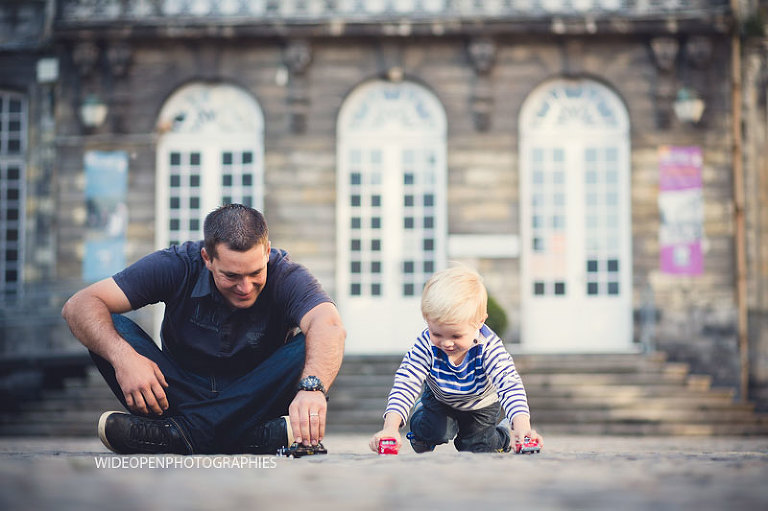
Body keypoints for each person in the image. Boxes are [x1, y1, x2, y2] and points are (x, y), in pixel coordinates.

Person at [62, 204, 345, 455]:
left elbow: (329, 324)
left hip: (256, 396)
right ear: (207, 258)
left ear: (267, 252)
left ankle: (181, 435)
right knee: (112, 326)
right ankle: (245, 438)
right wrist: (124, 358)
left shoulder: (285, 273)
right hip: (178, 391)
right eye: (231, 276)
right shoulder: (176, 264)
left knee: (313, 341)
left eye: (255, 273)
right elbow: (79, 305)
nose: (245, 287)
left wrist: (313, 389)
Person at [369, 264, 542, 454]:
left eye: (456, 336)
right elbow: (406, 382)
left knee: (476, 448)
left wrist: (523, 427)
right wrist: (390, 429)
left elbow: (509, 385)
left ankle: (503, 434)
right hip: (439, 399)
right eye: (437, 333)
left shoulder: (490, 348)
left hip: (481, 404)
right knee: (433, 431)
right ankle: (422, 420)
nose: (446, 343)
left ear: (479, 322)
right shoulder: (426, 343)